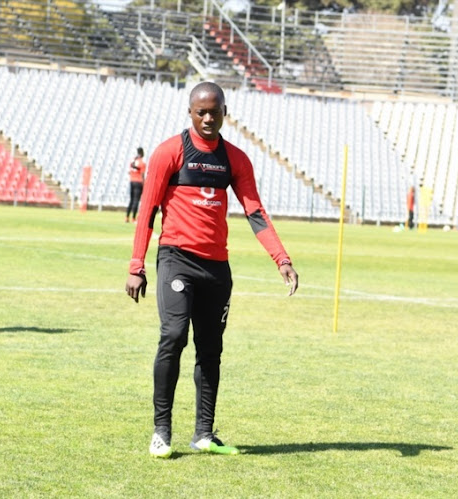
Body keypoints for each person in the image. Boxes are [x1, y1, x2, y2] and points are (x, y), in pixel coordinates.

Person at [125, 82, 299, 459]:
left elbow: (255, 212)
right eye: (200, 111)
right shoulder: (170, 152)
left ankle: (204, 433)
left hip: (216, 268)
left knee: (211, 350)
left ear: (225, 111)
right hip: (176, 259)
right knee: (173, 336)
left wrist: (281, 259)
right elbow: (148, 211)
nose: (207, 117)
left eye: (214, 111)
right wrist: (136, 265)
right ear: (190, 112)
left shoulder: (235, 159)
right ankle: (161, 431)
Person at [125, 147, 145, 223]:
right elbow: (142, 175)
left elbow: (129, 172)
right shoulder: (142, 163)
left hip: (131, 181)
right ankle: (133, 218)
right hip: (138, 182)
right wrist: (144, 184)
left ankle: (127, 217)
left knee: (131, 200)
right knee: (136, 200)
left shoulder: (132, 161)